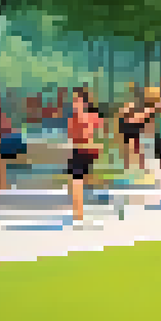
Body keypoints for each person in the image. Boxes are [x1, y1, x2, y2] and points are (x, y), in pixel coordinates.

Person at [65, 89, 105, 227]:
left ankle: (80, 214)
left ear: (85, 103)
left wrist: (96, 144)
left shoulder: (92, 117)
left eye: (77, 100)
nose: (74, 103)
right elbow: (73, 138)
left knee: (80, 183)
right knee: (76, 183)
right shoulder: (73, 119)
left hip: (88, 152)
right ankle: (78, 215)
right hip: (78, 152)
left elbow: (99, 133)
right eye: (74, 101)